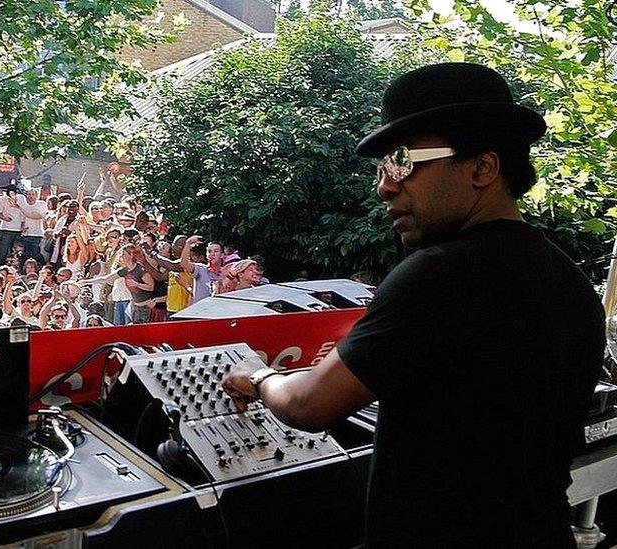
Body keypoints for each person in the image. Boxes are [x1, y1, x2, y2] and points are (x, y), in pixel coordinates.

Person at [222, 63, 604, 547]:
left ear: (483, 167)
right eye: (383, 168)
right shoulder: (567, 278)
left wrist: (257, 375)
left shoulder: (442, 270)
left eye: (403, 161)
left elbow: (308, 404)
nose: (385, 185)